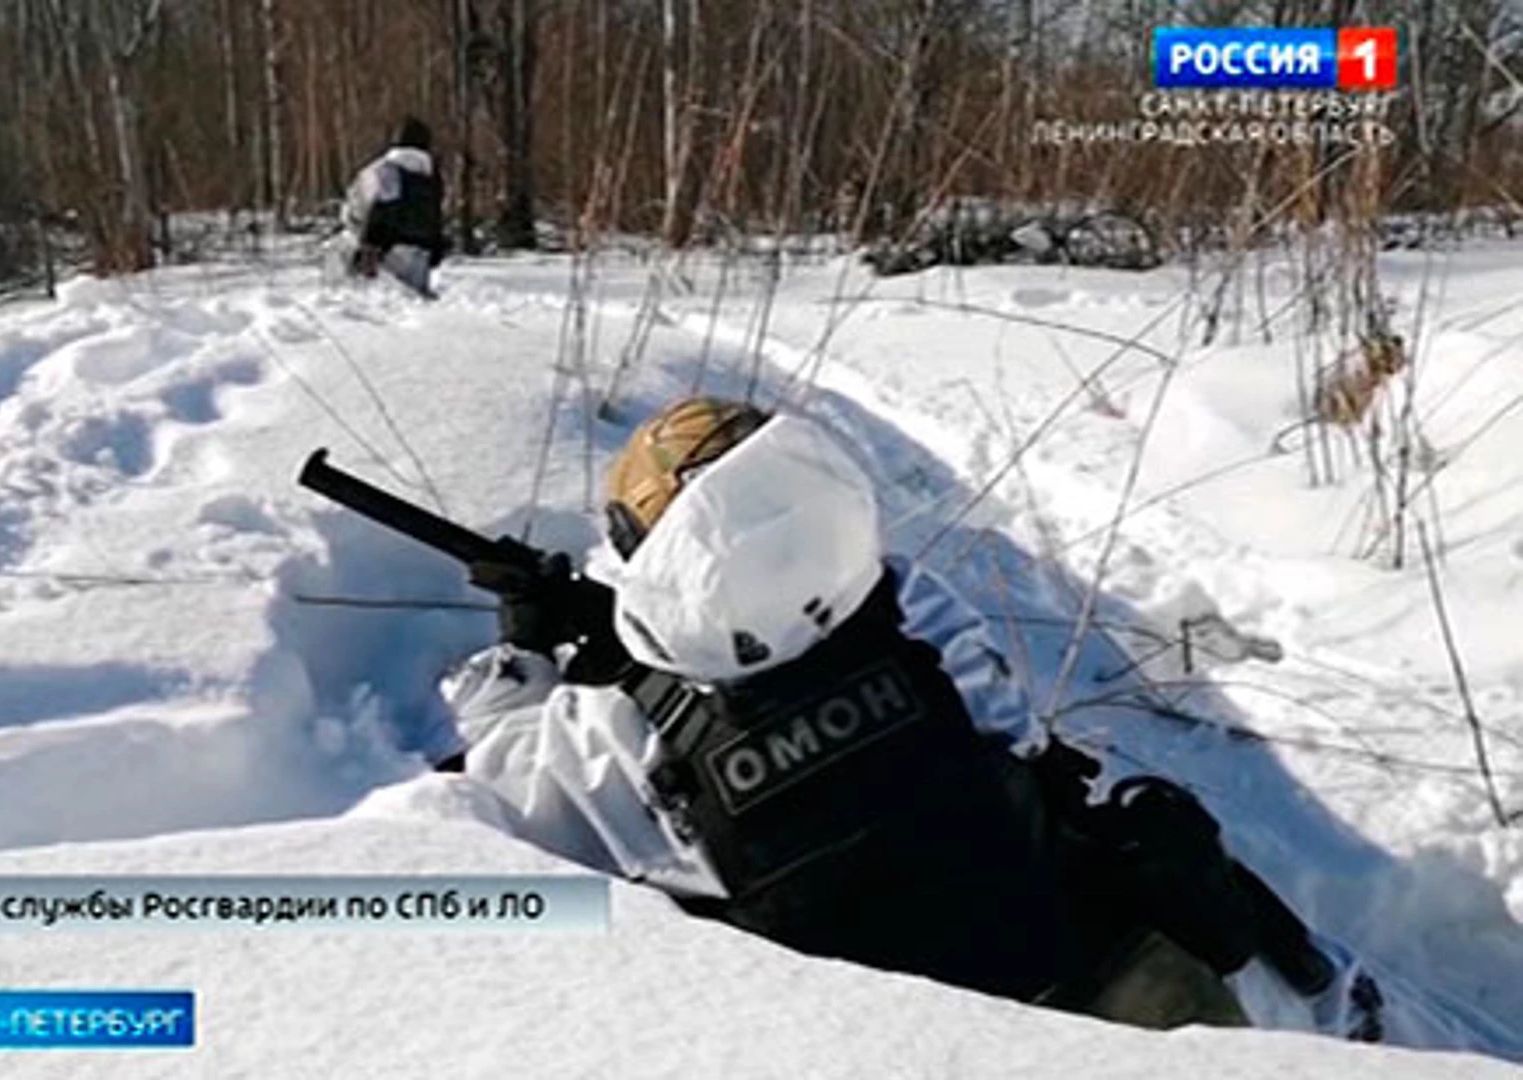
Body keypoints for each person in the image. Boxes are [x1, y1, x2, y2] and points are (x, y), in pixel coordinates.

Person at [435, 397, 1363, 1032]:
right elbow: (1009, 734)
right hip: (1088, 984)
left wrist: (524, 650)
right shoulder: (921, 617)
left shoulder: (617, 739)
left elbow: (507, 779)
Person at [340, 116, 448, 299]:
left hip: (389, 250)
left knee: (381, 301)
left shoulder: (387, 169)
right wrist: (436, 247)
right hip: (422, 251)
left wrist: (369, 244)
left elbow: (381, 206)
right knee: (415, 300)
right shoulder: (432, 173)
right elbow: (435, 213)